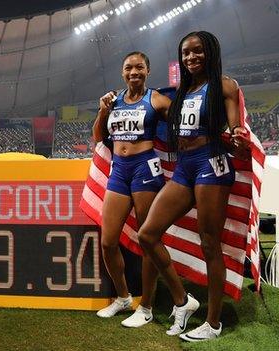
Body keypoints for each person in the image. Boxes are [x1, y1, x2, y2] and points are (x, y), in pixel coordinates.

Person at [137, 31, 247, 341]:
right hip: (185, 167)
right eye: (186, 53)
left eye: (197, 51)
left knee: (210, 243)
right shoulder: (184, 91)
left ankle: (213, 324)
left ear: (210, 52)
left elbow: (235, 126)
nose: (191, 57)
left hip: (211, 163)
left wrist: (238, 136)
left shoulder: (225, 85)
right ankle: (183, 301)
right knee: (147, 233)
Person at [92, 52, 171, 327]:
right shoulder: (113, 101)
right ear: (122, 72)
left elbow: (181, 125)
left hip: (145, 168)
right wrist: (103, 110)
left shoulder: (157, 99)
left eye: (139, 67)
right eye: (128, 68)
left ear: (148, 70)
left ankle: (146, 306)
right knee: (108, 240)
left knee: (147, 240)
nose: (133, 71)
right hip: (119, 170)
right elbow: (99, 136)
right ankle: (123, 297)